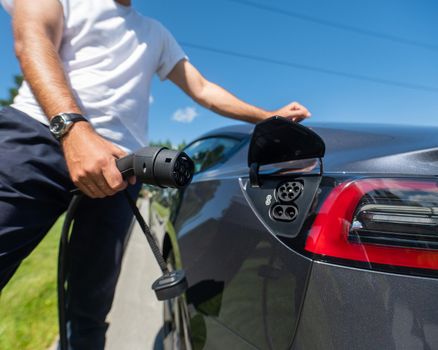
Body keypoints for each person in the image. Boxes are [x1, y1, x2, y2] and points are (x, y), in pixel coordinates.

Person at [0, 0, 311, 348]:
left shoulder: (156, 34)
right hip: (40, 135)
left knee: (89, 310)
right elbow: (33, 36)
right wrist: (72, 127)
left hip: (122, 168)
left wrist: (267, 117)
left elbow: (204, 90)